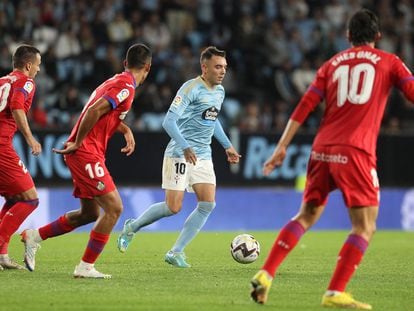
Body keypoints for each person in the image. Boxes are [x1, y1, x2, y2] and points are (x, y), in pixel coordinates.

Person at [250, 9, 414, 310]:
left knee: (306, 215)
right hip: (356, 151)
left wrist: (282, 147)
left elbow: (304, 106)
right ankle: (335, 291)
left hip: (322, 149)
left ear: (348, 36)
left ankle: (266, 272)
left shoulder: (331, 64)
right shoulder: (391, 62)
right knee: (364, 227)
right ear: (378, 36)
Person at [20, 43, 152, 278]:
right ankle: (85, 267)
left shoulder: (114, 81)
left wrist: (125, 129)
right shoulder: (125, 86)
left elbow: (104, 115)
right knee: (114, 208)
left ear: (125, 63)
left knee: (89, 214)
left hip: (87, 152)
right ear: (148, 68)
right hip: (85, 152)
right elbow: (92, 112)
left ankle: (34, 236)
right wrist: (79, 142)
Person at [117, 46, 241, 268]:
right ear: (204, 67)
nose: (222, 72)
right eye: (218, 67)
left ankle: (176, 251)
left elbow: (212, 120)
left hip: (203, 155)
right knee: (173, 207)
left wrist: (227, 146)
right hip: (179, 153)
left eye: (224, 67)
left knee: (207, 204)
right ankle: (132, 227)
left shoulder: (220, 92)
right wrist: (184, 146)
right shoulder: (190, 88)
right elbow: (168, 122)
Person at [0, 45, 42, 271]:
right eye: (37, 65)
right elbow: (17, 106)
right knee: (30, 199)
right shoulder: (25, 82)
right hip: (1, 147)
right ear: (28, 65)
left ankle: (2, 255)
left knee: (15, 198)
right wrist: (30, 138)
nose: (38, 69)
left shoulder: (2, 81)